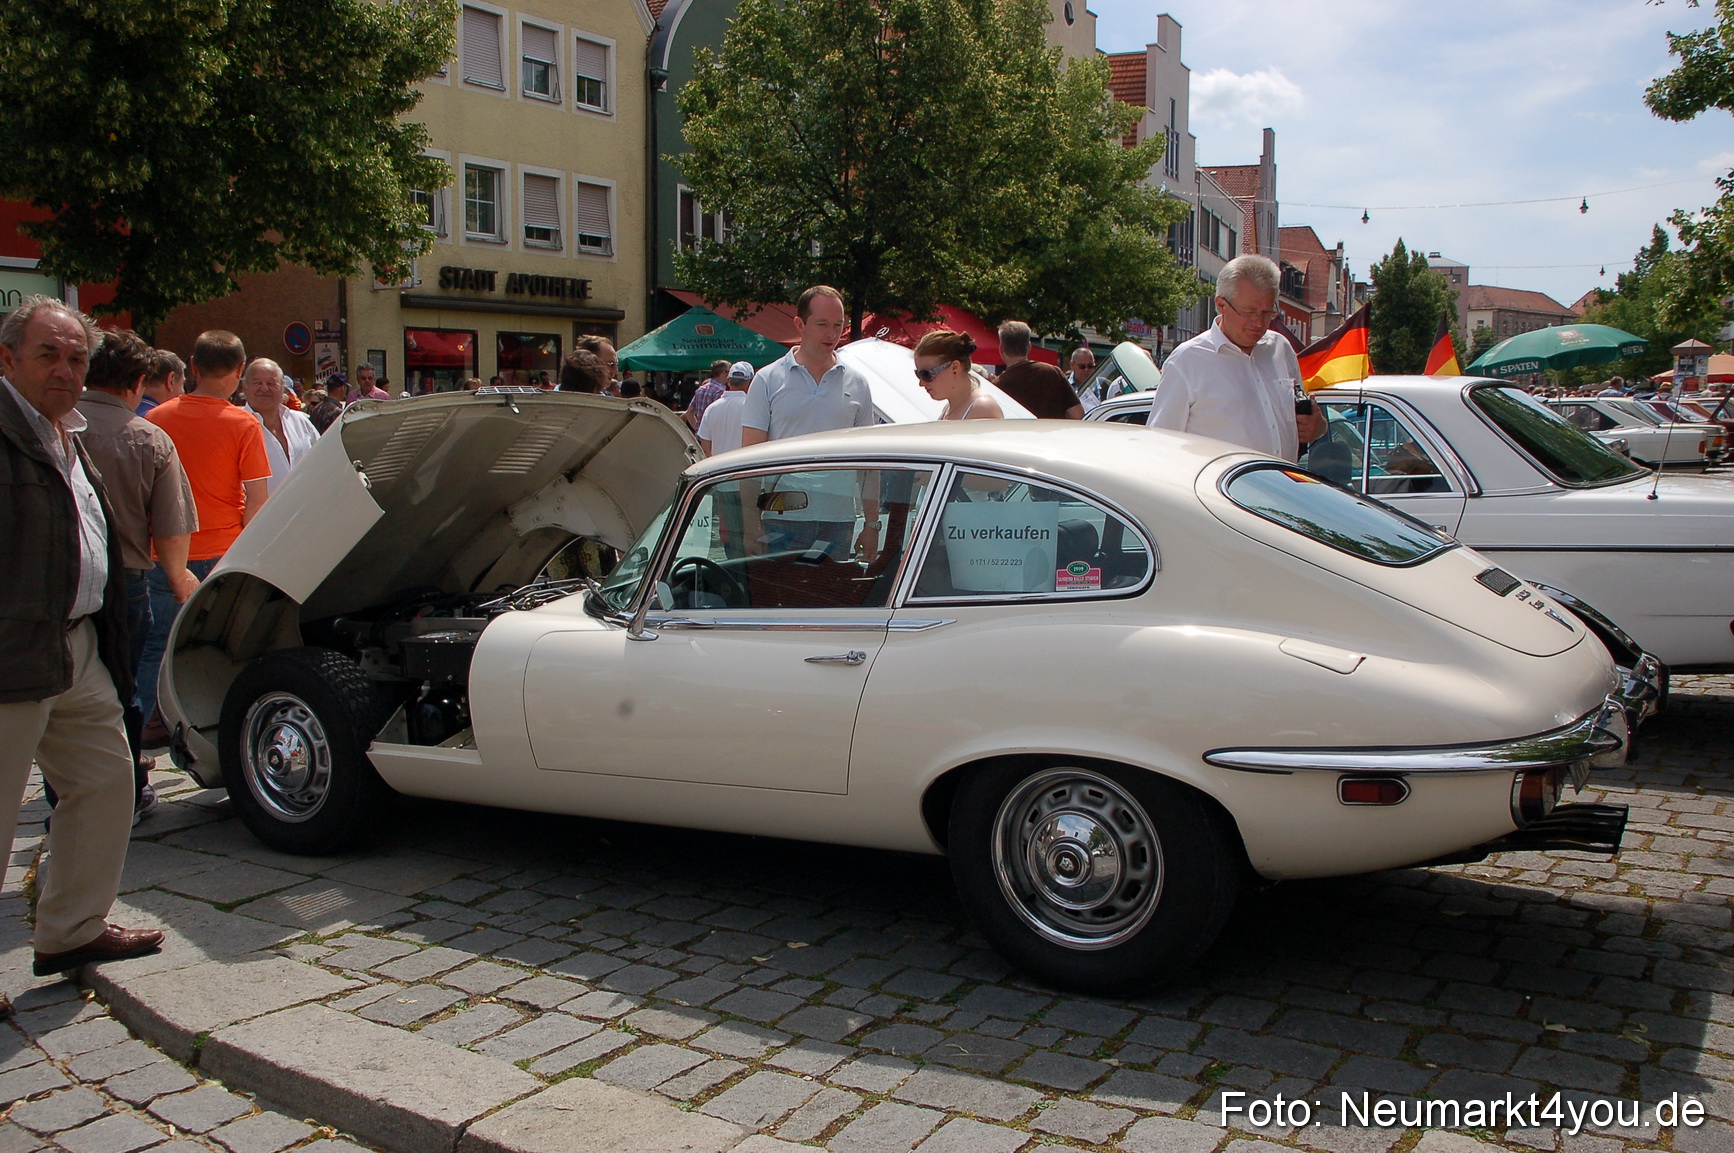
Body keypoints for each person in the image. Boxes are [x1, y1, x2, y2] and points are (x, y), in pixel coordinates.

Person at [0, 296, 167, 1005]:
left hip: (75, 645)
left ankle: (70, 925)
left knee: (105, 780)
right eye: (49, 355)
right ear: (8, 359)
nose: (65, 369)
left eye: (75, 357)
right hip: (10, 653)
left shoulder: (64, 432)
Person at [73, 330, 199, 821]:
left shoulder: (58, 426)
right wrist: (178, 577)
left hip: (57, 582)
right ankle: (124, 790)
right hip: (123, 581)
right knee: (121, 689)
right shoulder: (146, 437)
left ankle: (64, 790)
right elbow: (169, 527)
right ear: (138, 382)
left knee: (63, 693)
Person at [139, 331, 271, 741]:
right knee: (221, 650)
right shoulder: (244, 423)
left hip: (162, 551)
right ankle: (223, 734)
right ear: (238, 372)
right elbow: (257, 499)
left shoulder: (156, 419)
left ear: (192, 367)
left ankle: (134, 735)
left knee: (152, 648)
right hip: (222, 552)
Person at [1145, 253, 1325, 461]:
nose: (1258, 323)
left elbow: (1299, 420)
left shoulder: (1280, 349)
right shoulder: (1187, 361)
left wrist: (1317, 427)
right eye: (1249, 312)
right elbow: (1160, 446)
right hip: (1215, 492)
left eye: (1267, 313)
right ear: (1221, 305)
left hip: (1281, 488)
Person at [741, 286, 877, 557]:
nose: (832, 334)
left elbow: (870, 463)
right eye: (822, 324)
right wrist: (749, 523)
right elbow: (749, 459)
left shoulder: (858, 383)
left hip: (839, 519)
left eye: (838, 325)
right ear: (800, 324)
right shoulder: (767, 380)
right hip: (781, 518)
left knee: (834, 598)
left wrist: (872, 524)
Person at [244, 358, 319, 493]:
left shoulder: (301, 422)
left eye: (271, 383)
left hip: (305, 511)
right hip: (260, 513)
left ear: (283, 387)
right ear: (245, 387)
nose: (264, 388)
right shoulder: (236, 428)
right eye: (257, 383)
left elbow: (323, 463)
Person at [994, 321, 1082, 419]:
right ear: (1029, 346)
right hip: (1054, 433)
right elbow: (1078, 414)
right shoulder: (1053, 373)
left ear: (1001, 348)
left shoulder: (997, 387)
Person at [914, 331, 1002, 420]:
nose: (921, 383)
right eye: (918, 374)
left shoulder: (982, 408)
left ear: (954, 368)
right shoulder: (950, 408)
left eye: (926, 374)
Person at [698, 361, 755, 455]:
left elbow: (705, 447)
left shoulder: (711, 409)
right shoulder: (753, 408)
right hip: (745, 467)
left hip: (719, 467)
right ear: (751, 382)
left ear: (728, 381)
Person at [136, 349, 184, 417]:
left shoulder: (121, 413)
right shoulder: (162, 420)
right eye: (182, 384)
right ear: (171, 381)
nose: (183, 393)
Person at [686, 360, 730, 433]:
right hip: (715, 436)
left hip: (701, 437)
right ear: (723, 373)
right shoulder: (720, 391)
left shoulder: (700, 389)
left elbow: (689, 413)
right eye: (729, 371)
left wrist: (698, 430)